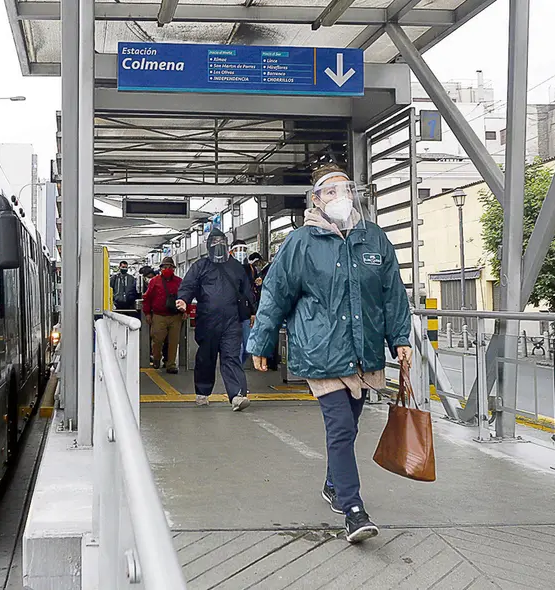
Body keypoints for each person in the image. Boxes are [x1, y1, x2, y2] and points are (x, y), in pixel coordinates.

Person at [246, 164, 412, 544]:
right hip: (320, 349)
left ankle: (333, 484)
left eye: (345, 190)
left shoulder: (373, 239)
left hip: (362, 350)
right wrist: (261, 341)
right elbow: (276, 292)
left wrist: (400, 338)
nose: (340, 197)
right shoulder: (301, 243)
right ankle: (354, 511)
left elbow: (392, 292)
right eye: (330, 191)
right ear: (316, 199)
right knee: (340, 426)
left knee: (350, 425)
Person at [175, 228, 257, 411]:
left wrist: (252, 311)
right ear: (208, 245)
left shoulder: (236, 267)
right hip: (207, 320)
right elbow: (188, 285)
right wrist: (183, 300)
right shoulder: (200, 266)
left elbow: (246, 291)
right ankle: (202, 392)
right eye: (214, 242)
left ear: (226, 244)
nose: (218, 245)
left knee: (231, 356)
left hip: (232, 321)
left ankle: (237, 395)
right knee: (206, 357)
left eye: (221, 241)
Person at [142, 257, 183, 374]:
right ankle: (156, 358)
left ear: (174, 269)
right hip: (159, 315)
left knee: (173, 342)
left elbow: (185, 296)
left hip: (175, 316)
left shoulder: (179, 281)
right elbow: (147, 298)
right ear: (161, 269)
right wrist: (147, 313)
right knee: (157, 339)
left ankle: (171, 364)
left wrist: (186, 311)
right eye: (165, 267)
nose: (167, 269)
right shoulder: (154, 281)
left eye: (170, 267)